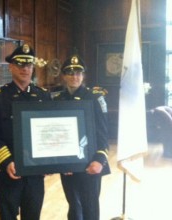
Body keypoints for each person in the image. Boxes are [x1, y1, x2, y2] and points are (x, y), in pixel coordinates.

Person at [0, 44, 51, 220]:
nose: (25, 69)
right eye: (20, 65)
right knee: (8, 216)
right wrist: (6, 162)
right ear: (11, 67)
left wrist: (49, 161)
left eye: (28, 65)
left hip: (35, 173)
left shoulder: (43, 96)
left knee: (33, 215)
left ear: (33, 68)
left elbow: (49, 131)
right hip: (9, 171)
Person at [53, 54, 111, 220]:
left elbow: (103, 131)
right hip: (67, 164)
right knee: (73, 204)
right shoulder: (58, 99)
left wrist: (100, 159)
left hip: (90, 162)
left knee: (90, 207)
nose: (74, 77)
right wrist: (60, 161)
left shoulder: (94, 97)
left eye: (78, 73)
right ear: (64, 76)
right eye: (70, 73)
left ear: (83, 75)